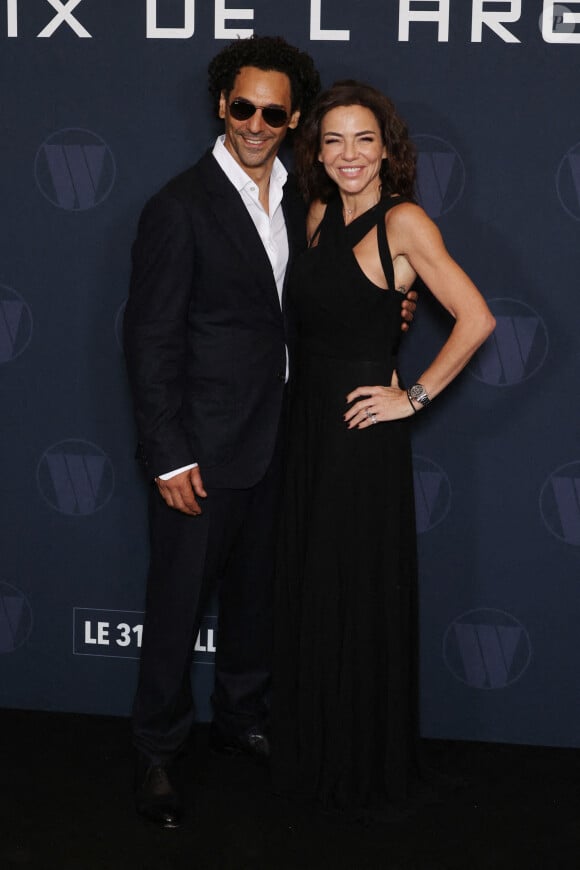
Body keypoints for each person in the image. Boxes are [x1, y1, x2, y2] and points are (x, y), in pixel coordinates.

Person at [124, 41, 417, 829]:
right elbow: (148, 338)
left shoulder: (304, 201)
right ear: (222, 105)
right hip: (203, 449)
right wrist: (168, 451)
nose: (258, 124)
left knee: (259, 600)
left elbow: (326, 297)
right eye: (244, 107)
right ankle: (157, 752)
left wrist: (390, 308)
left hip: (287, 440)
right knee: (179, 602)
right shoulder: (179, 206)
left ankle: (241, 718)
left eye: (275, 112)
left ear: (294, 121)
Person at [271, 80, 496, 813]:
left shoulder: (406, 223)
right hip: (304, 424)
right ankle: (315, 747)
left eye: (363, 138)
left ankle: (362, 759)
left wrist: (412, 395)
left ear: (387, 147)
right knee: (310, 584)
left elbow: (476, 319)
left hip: (360, 438)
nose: (349, 154)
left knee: (353, 587)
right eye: (333, 139)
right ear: (318, 150)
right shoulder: (312, 215)